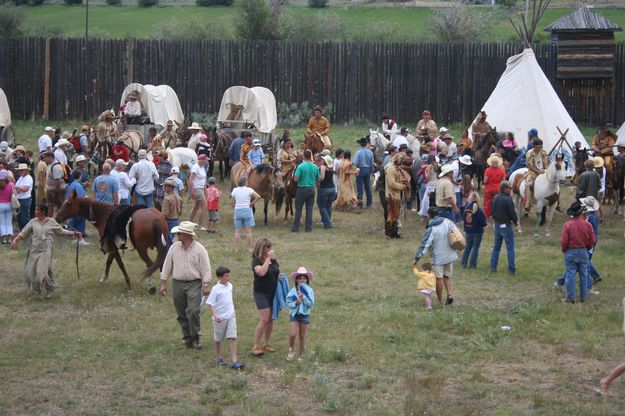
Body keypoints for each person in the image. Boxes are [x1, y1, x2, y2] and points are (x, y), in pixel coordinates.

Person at [159, 221, 212, 350]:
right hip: (178, 283)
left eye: (179, 233)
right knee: (181, 312)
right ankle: (187, 338)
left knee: (193, 311)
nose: (177, 235)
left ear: (186, 235)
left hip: (194, 283)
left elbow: (206, 268)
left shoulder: (199, 249)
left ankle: (196, 337)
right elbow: (167, 265)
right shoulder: (174, 248)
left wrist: (205, 284)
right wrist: (163, 283)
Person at [11, 204, 80, 298]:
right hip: (34, 249)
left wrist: (74, 233)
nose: (35, 211)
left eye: (37, 210)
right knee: (29, 273)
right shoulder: (33, 222)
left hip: (46, 249)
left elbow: (61, 231)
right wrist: (15, 240)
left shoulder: (51, 222)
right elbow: (24, 233)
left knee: (41, 273)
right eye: (35, 210)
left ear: (43, 212)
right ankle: (36, 291)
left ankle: (49, 290)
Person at [413, 206, 458, 305]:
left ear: (429, 215)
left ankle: (440, 301)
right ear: (438, 213)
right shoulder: (447, 221)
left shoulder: (431, 229)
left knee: (439, 279)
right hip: (450, 255)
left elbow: (425, 245)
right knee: (447, 276)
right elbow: (456, 233)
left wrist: (416, 259)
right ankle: (450, 295)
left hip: (438, 259)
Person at [206, 266, 244, 369]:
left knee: (233, 336)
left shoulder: (230, 286)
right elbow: (211, 304)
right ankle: (218, 358)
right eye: (226, 276)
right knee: (218, 339)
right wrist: (215, 315)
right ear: (220, 277)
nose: (229, 277)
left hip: (231, 315)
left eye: (229, 275)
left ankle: (234, 362)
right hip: (220, 318)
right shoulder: (215, 289)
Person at [560, 201, 595, 303]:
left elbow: (563, 241)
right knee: (584, 274)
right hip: (583, 251)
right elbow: (592, 240)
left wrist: (564, 250)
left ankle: (571, 297)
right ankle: (583, 297)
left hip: (571, 251)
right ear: (581, 213)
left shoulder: (567, 225)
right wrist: (587, 248)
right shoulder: (588, 225)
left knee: (570, 274)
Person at [251, 237, 280, 357]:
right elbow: (261, 273)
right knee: (264, 319)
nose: (270, 249)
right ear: (261, 248)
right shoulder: (256, 261)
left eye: (270, 246)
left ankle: (266, 343)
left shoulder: (273, 260)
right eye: (267, 247)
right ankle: (255, 346)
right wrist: (268, 259)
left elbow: (276, 271)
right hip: (261, 293)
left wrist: (280, 276)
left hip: (273, 293)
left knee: (271, 319)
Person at [286, 266, 315, 361]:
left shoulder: (309, 291)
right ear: (296, 280)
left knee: (302, 335)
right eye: (300, 278)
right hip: (294, 315)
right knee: (293, 334)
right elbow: (288, 303)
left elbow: (311, 304)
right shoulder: (293, 291)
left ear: (307, 280)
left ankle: (301, 354)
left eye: (304, 278)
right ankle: (291, 350)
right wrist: (296, 303)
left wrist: (304, 298)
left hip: (304, 315)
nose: (302, 280)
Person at [489, 181, 518, 275]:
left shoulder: (495, 197)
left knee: (496, 247)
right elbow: (513, 214)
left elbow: (492, 210)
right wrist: (516, 223)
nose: (511, 189)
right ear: (505, 189)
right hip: (506, 225)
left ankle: (493, 267)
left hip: (497, 225)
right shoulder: (508, 200)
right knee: (510, 248)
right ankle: (512, 270)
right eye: (510, 188)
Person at [292, 149, 320, 233]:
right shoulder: (315, 166)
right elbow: (318, 179)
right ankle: (308, 228)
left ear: (304, 156)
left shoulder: (300, 166)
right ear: (310, 156)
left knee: (298, 209)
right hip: (311, 189)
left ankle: (296, 228)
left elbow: (296, 179)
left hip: (302, 189)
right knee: (309, 209)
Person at [231, 176, 260, 252]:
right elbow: (258, 197)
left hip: (238, 211)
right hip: (247, 210)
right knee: (249, 231)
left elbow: (232, 201)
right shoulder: (249, 190)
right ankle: (250, 248)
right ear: (245, 182)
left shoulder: (235, 190)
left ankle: (237, 248)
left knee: (237, 231)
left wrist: (235, 207)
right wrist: (252, 203)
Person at [384, 153, 409, 238]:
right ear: (397, 160)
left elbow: (396, 180)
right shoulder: (391, 168)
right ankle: (390, 233)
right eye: (401, 161)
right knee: (392, 214)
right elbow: (391, 183)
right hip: (392, 195)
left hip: (395, 195)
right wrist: (402, 186)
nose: (402, 163)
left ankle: (394, 232)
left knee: (395, 214)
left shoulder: (395, 168)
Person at [461, 192, 487, 269]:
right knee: (475, 248)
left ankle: (463, 263)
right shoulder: (478, 210)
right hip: (477, 231)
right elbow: (483, 222)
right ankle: (472, 265)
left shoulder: (466, 208)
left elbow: (464, 218)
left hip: (468, 230)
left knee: (468, 247)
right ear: (478, 199)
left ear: (470, 198)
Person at [524, 138, 548, 214]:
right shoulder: (529, 153)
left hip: (542, 170)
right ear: (534, 146)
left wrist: (545, 170)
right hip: (533, 171)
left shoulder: (544, 153)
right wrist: (537, 171)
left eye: (541, 147)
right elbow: (528, 165)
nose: (540, 149)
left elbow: (545, 163)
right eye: (538, 147)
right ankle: (528, 203)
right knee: (530, 183)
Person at [65, 170, 89, 245]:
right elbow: (80, 197)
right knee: (80, 222)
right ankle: (79, 238)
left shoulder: (71, 184)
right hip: (78, 207)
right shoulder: (79, 186)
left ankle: (73, 236)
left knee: (72, 222)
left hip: (71, 206)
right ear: (80, 176)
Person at [483, 154, 506, 222]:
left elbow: (485, 181)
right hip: (498, 190)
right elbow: (503, 181)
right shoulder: (501, 171)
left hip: (489, 189)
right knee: (497, 204)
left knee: (487, 204)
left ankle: (487, 220)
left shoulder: (487, 170)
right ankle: (495, 219)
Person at [353, 137, 374, 208]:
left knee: (360, 187)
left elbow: (355, 162)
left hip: (360, 169)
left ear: (360, 144)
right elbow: (372, 163)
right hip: (368, 169)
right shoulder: (370, 152)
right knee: (368, 187)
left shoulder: (358, 152)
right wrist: (371, 170)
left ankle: (360, 203)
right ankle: (369, 203)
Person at [188, 154, 208, 231]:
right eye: (205, 160)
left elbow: (203, 180)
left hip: (201, 188)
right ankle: (200, 226)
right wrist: (192, 190)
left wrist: (205, 189)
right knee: (204, 207)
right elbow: (191, 179)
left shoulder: (202, 167)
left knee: (196, 207)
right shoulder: (195, 167)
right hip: (196, 188)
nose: (206, 161)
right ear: (202, 160)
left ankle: (189, 223)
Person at [161, 177, 183, 248]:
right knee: (171, 237)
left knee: (168, 240)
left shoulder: (167, 199)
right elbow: (181, 210)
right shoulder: (178, 197)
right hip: (176, 220)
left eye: (166, 186)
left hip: (169, 221)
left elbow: (165, 213)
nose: (164, 187)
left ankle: (169, 253)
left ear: (171, 187)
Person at [43, 151, 66, 216]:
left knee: (60, 207)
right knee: (49, 205)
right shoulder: (49, 165)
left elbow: (58, 181)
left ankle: (64, 224)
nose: (44, 159)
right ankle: (49, 221)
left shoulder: (56, 167)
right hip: (50, 189)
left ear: (50, 157)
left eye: (45, 157)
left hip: (56, 190)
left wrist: (56, 191)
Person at [317, 154, 336, 229]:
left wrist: (317, 180)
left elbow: (322, 177)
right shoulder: (330, 168)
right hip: (332, 188)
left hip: (324, 188)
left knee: (322, 207)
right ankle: (328, 221)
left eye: (322, 160)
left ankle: (328, 223)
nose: (321, 160)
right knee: (328, 206)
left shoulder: (322, 167)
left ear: (325, 161)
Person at [15, 163, 33, 231]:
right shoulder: (21, 177)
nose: (20, 171)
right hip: (20, 199)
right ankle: (23, 231)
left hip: (25, 199)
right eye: (20, 170)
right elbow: (20, 189)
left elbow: (25, 189)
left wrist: (17, 187)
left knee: (24, 217)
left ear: (26, 170)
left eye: (22, 170)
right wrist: (18, 188)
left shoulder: (28, 178)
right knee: (19, 216)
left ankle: (27, 231)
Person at [0, 169, 15, 243]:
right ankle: (9, 238)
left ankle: (4, 238)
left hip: (0, 205)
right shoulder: (11, 185)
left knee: (2, 223)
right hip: (9, 204)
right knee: (9, 222)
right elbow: (15, 194)